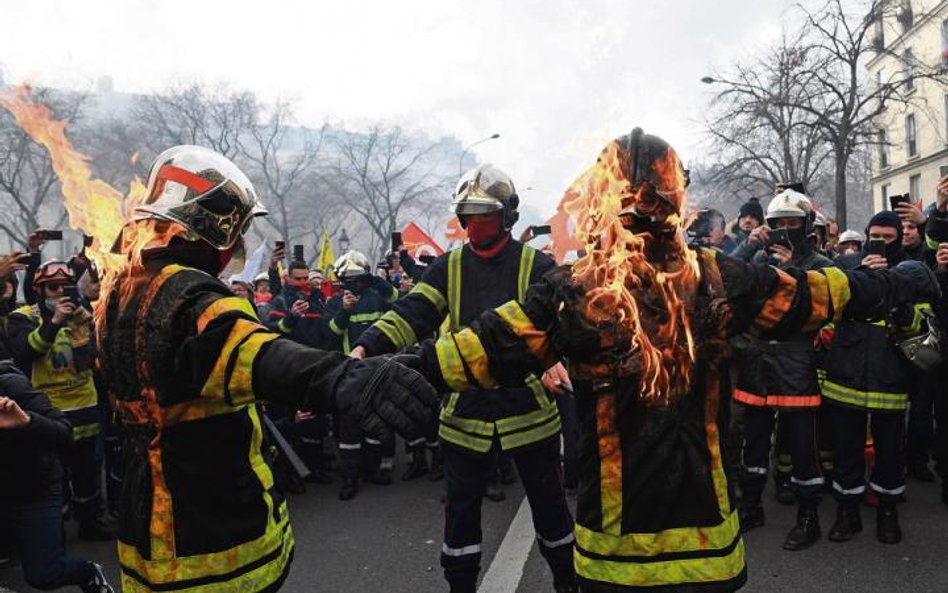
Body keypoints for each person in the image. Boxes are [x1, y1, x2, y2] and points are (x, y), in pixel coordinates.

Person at [402, 129, 939, 592]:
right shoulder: (715, 277)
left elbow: (480, 349)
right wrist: (895, 281)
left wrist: (388, 374)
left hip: (619, 544)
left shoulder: (579, 287)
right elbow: (816, 295)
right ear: (677, 198)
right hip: (699, 540)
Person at [96, 145, 438, 593]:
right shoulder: (191, 298)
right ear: (213, 228)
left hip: (146, 533)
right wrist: (345, 378)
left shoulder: (118, 293)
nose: (239, 245)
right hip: (216, 542)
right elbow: (263, 356)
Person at [352, 164, 577, 593]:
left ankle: (567, 582)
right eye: (466, 215)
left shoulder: (537, 264)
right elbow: (410, 314)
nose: (472, 224)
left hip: (527, 411)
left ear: (506, 216)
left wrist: (553, 358)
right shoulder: (447, 267)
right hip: (463, 413)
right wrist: (364, 347)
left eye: (483, 214)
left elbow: (562, 323)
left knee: (551, 511)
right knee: (459, 519)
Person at [729, 189, 833, 550]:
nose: (785, 231)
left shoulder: (822, 265)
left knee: (802, 446)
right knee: (754, 443)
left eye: (792, 224)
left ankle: (809, 517)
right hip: (758, 359)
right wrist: (748, 247)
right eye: (778, 225)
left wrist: (790, 271)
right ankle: (752, 505)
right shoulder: (758, 258)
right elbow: (732, 286)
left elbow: (821, 308)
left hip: (796, 360)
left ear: (806, 227)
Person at [821, 210, 933, 544]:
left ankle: (888, 513)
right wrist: (861, 278)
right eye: (876, 236)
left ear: (899, 237)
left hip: (890, 381)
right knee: (847, 453)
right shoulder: (846, 270)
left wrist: (901, 309)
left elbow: (925, 332)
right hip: (847, 377)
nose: (881, 242)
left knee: (889, 456)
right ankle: (847, 514)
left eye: (888, 237)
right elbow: (828, 316)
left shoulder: (913, 276)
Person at [6, 260, 116, 541]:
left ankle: (90, 522)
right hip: (47, 410)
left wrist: (83, 331)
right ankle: (53, 530)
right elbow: (26, 351)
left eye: (64, 286)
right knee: (52, 475)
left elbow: (88, 363)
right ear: (40, 291)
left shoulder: (83, 315)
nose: (59, 292)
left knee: (87, 472)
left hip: (85, 406)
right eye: (51, 287)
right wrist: (54, 323)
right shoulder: (23, 317)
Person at [0, 354, 114, 593]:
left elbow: (63, 431)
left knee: (44, 574)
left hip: (33, 489)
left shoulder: (9, 385)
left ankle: (88, 572)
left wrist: (27, 422)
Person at [325, 250, 401, 500]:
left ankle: (372, 470)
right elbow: (331, 334)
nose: (354, 283)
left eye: (359, 278)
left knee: (375, 425)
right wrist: (345, 310)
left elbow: (397, 298)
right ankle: (349, 478)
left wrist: (375, 280)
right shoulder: (335, 302)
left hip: (378, 368)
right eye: (349, 278)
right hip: (349, 372)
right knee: (349, 428)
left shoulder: (377, 296)